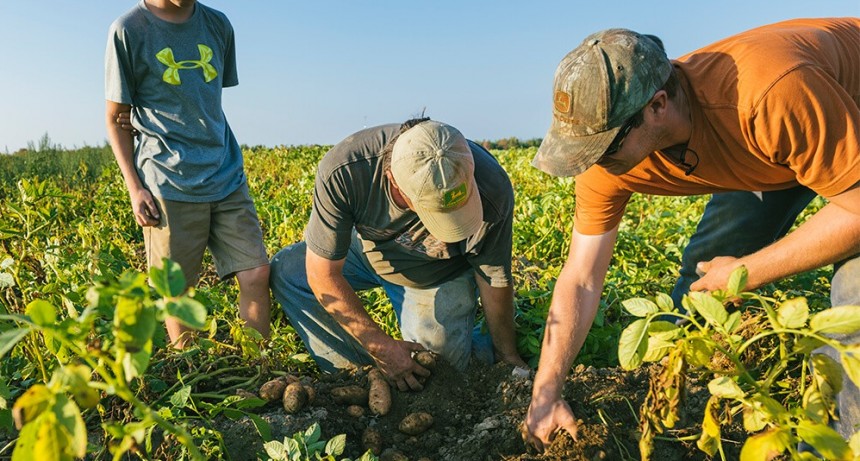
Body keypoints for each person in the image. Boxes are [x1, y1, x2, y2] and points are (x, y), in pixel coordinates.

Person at [523, 18, 860, 450]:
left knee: (852, 298)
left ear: (658, 105)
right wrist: (546, 392)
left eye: (605, 147)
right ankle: (685, 410)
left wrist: (748, 271)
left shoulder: (767, 95)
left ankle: (840, 444)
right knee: (703, 281)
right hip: (778, 146)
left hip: (835, 109)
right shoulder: (606, 161)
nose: (594, 163)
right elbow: (582, 277)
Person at [270, 118, 527, 391]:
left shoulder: (492, 186)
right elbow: (322, 274)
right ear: (393, 180)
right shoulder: (345, 169)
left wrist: (507, 356)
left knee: (439, 371)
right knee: (289, 271)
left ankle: (473, 344)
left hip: (437, 272)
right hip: (368, 250)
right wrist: (380, 347)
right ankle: (361, 374)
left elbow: (493, 277)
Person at [104, 0, 271, 347]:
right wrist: (135, 188)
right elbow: (115, 117)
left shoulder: (218, 25)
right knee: (177, 290)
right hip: (167, 180)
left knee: (256, 272)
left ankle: (260, 369)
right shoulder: (128, 30)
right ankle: (190, 373)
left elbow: (202, 98)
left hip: (225, 172)